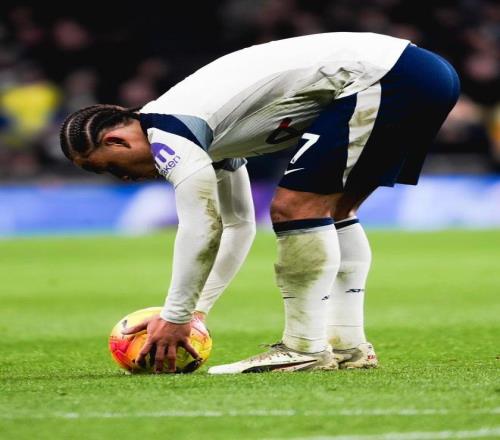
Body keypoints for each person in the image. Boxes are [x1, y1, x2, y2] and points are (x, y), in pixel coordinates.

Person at [59, 32, 460, 374]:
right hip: (420, 72)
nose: (124, 178)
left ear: (116, 141)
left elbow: (202, 227)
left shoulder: (169, 134)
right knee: (335, 212)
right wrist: (196, 312)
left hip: (386, 76)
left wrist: (176, 316)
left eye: (109, 168)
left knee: (294, 207)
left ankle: (303, 348)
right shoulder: (200, 130)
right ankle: (348, 347)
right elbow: (237, 225)